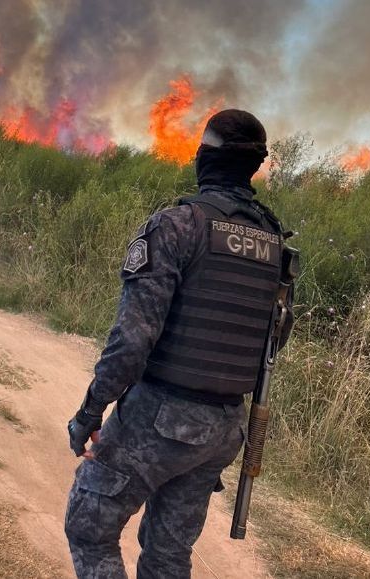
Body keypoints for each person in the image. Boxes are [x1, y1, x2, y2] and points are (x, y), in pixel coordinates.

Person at [65, 109, 296, 578]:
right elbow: (274, 340)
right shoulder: (273, 242)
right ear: (252, 168)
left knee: (89, 528)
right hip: (225, 428)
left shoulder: (177, 225)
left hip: (163, 416)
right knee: (169, 554)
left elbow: (132, 340)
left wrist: (90, 412)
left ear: (204, 157)